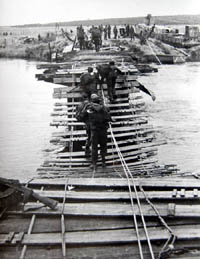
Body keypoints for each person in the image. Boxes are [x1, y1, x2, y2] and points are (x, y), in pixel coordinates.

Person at [84, 94, 112, 172]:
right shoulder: (104, 108)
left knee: (94, 147)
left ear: (92, 101)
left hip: (94, 131)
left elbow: (81, 116)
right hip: (103, 130)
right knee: (103, 146)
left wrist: (88, 121)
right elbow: (109, 118)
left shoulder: (89, 108)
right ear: (99, 100)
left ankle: (94, 164)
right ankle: (103, 162)